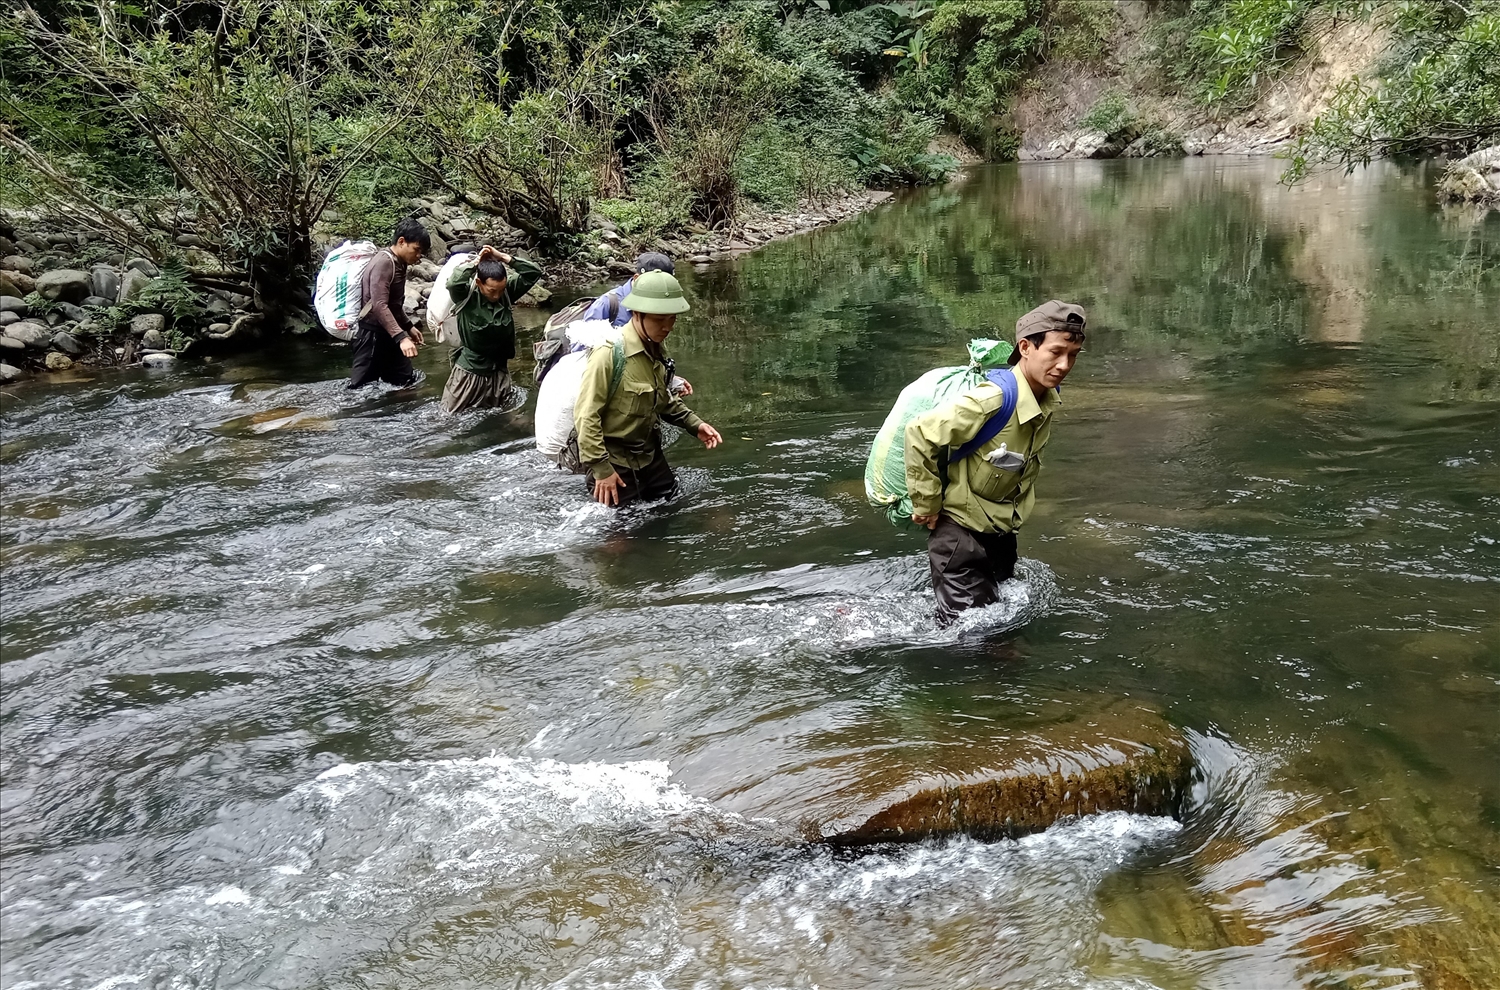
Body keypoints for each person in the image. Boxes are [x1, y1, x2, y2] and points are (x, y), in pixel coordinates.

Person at [905, 300, 1087, 625]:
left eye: (1072, 355)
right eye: (1056, 352)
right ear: (1026, 347)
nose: (1064, 364)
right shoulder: (993, 400)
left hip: (999, 533)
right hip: (959, 535)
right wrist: (927, 504)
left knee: (995, 620)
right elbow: (920, 433)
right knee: (978, 643)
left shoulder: (1046, 397)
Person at [574, 270, 722, 506]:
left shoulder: (655, 349)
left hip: (650, 458)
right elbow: (585, 416)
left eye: (672, 318)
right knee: (620, 539)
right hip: (615, 464)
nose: (668, 327)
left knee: (676, 511)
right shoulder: (608, 353)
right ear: (637, 314)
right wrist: (602, 470)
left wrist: (695, 424)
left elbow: (663, 399)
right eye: (659, 319)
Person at [440, 245, 543, 414]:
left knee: (499, 415)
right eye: (492, 291)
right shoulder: (466, 296)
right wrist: (476, 263)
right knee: (449, 418)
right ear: (480, 283)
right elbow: (453, 283)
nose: (497, 296)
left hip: (499, 372)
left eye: (501, 290)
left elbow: (533, 273)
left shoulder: (507, 293)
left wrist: (503, 257)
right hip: (470, 372)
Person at [584, 251, 694, 395]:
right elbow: (584, 359)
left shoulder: (662, 306)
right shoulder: (607, 305)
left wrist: (667, 379)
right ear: (636, 278)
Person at [349, 218, 428, 390]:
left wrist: (408, 326)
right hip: (372, 335)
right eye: (416, 250)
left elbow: (394, 304)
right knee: (359, 390)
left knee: (404, 381)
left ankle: (401, 415)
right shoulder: (384, 262)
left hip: (390, 333)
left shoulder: (399, 262)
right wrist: (401, 338)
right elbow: (379, 305)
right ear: (401, 241)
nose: (418, 256)